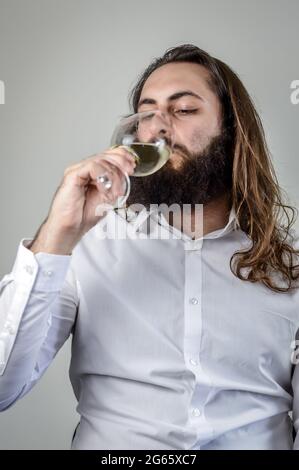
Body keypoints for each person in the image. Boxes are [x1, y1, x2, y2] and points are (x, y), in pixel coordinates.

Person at [1, 44, 299, 450]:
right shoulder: (86, 250)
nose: (158, 127)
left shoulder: (289, 268)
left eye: (183, 110)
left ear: (232, 130)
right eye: (147, 111)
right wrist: (58, 232)